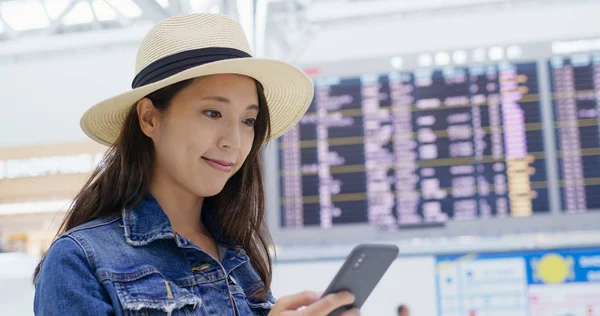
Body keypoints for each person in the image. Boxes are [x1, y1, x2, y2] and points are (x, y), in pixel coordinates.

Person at [33, 13, 359, 316]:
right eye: (213, 113)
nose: (234, 140)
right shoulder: (80, 260)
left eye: (248, 120)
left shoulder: (238, 256)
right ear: (149, 118)